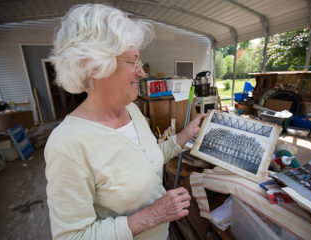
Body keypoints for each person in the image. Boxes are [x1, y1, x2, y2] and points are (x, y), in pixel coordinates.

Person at [44, 4, 206, 240]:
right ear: (96, 66)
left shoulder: (132, 109)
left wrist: (187, 134)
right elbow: (72, 237)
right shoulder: (67, 144)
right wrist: (151, 216)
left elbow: (147, 159)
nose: (142, 73)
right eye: (133, 61)